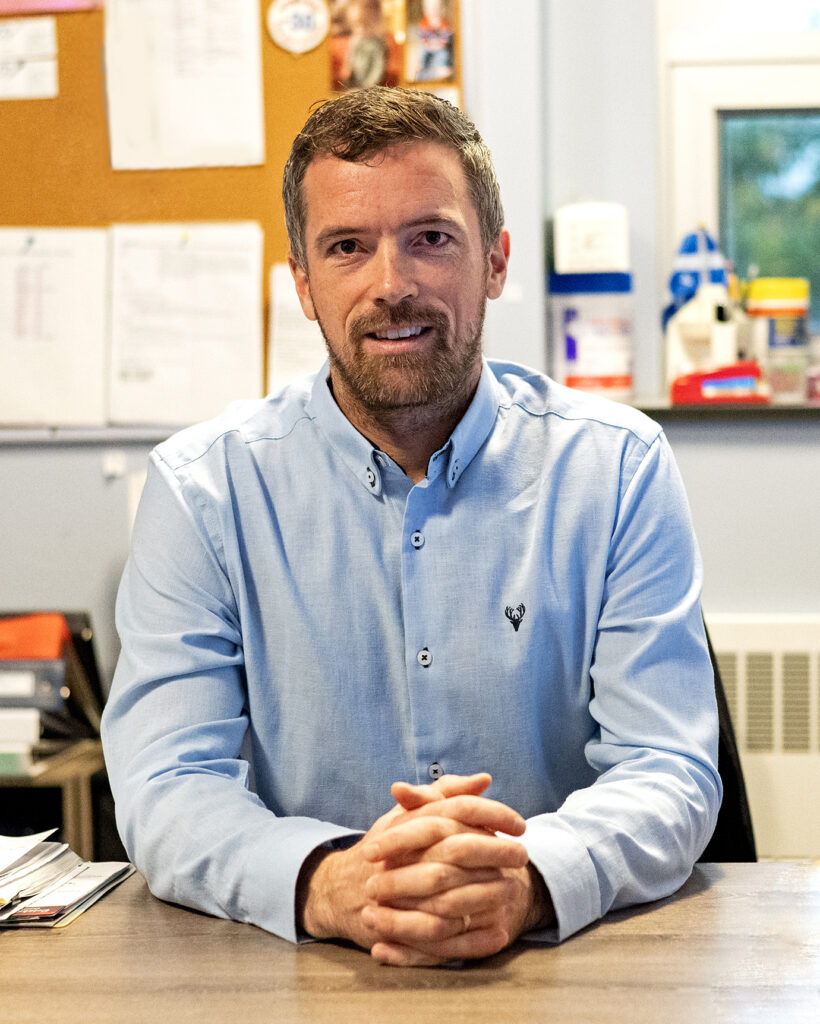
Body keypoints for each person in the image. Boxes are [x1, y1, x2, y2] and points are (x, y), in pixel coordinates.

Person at [101, 86, 721, 968]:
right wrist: (331, 882)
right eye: (347, 247)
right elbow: (167, 787)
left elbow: (669, 766)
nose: (391, 285)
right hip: (299, 974)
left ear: (496, 262)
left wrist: (526, 877)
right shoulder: (204, 490)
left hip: (559, 968)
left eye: (431, 239)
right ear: (305, 286)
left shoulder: (617, 470)